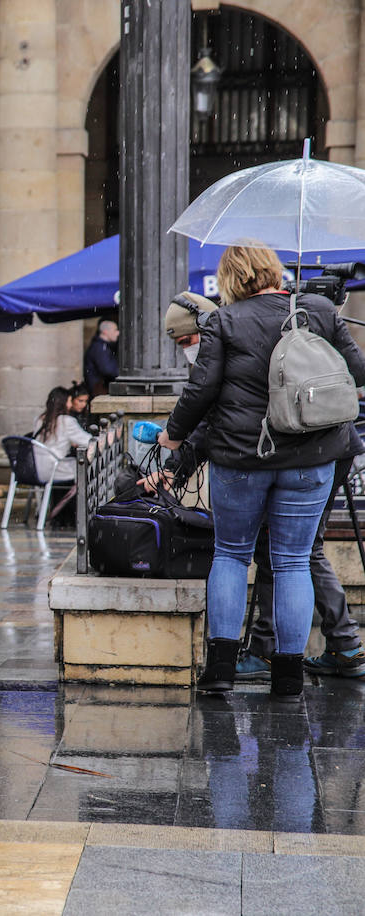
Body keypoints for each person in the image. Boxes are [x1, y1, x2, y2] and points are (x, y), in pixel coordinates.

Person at [159, 245, 365, 700]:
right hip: (311, 458)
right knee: (293, 562)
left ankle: (220, 672)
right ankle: (288, 678)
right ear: (273, 270)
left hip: (241, 457)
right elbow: (357, 371)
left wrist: (173, 437)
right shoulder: (318, 310)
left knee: (231, 555)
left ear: (231, 279)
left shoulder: (224, 321)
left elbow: (201, 390)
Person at [32, 386, 93, 484]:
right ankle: (78, 499)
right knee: (87, 467)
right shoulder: (66, 421)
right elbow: (89, 441)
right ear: (63, 403)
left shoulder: (39, 419)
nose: (70, 405)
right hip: (54, 469)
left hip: (35, 468)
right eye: (69, 401)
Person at [83, 318, 120, 396]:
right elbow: (107, 370)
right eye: (115, 330)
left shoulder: (104, 346)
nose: (118, 333)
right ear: (105, 332)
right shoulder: (100, 347)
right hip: (99, 389)